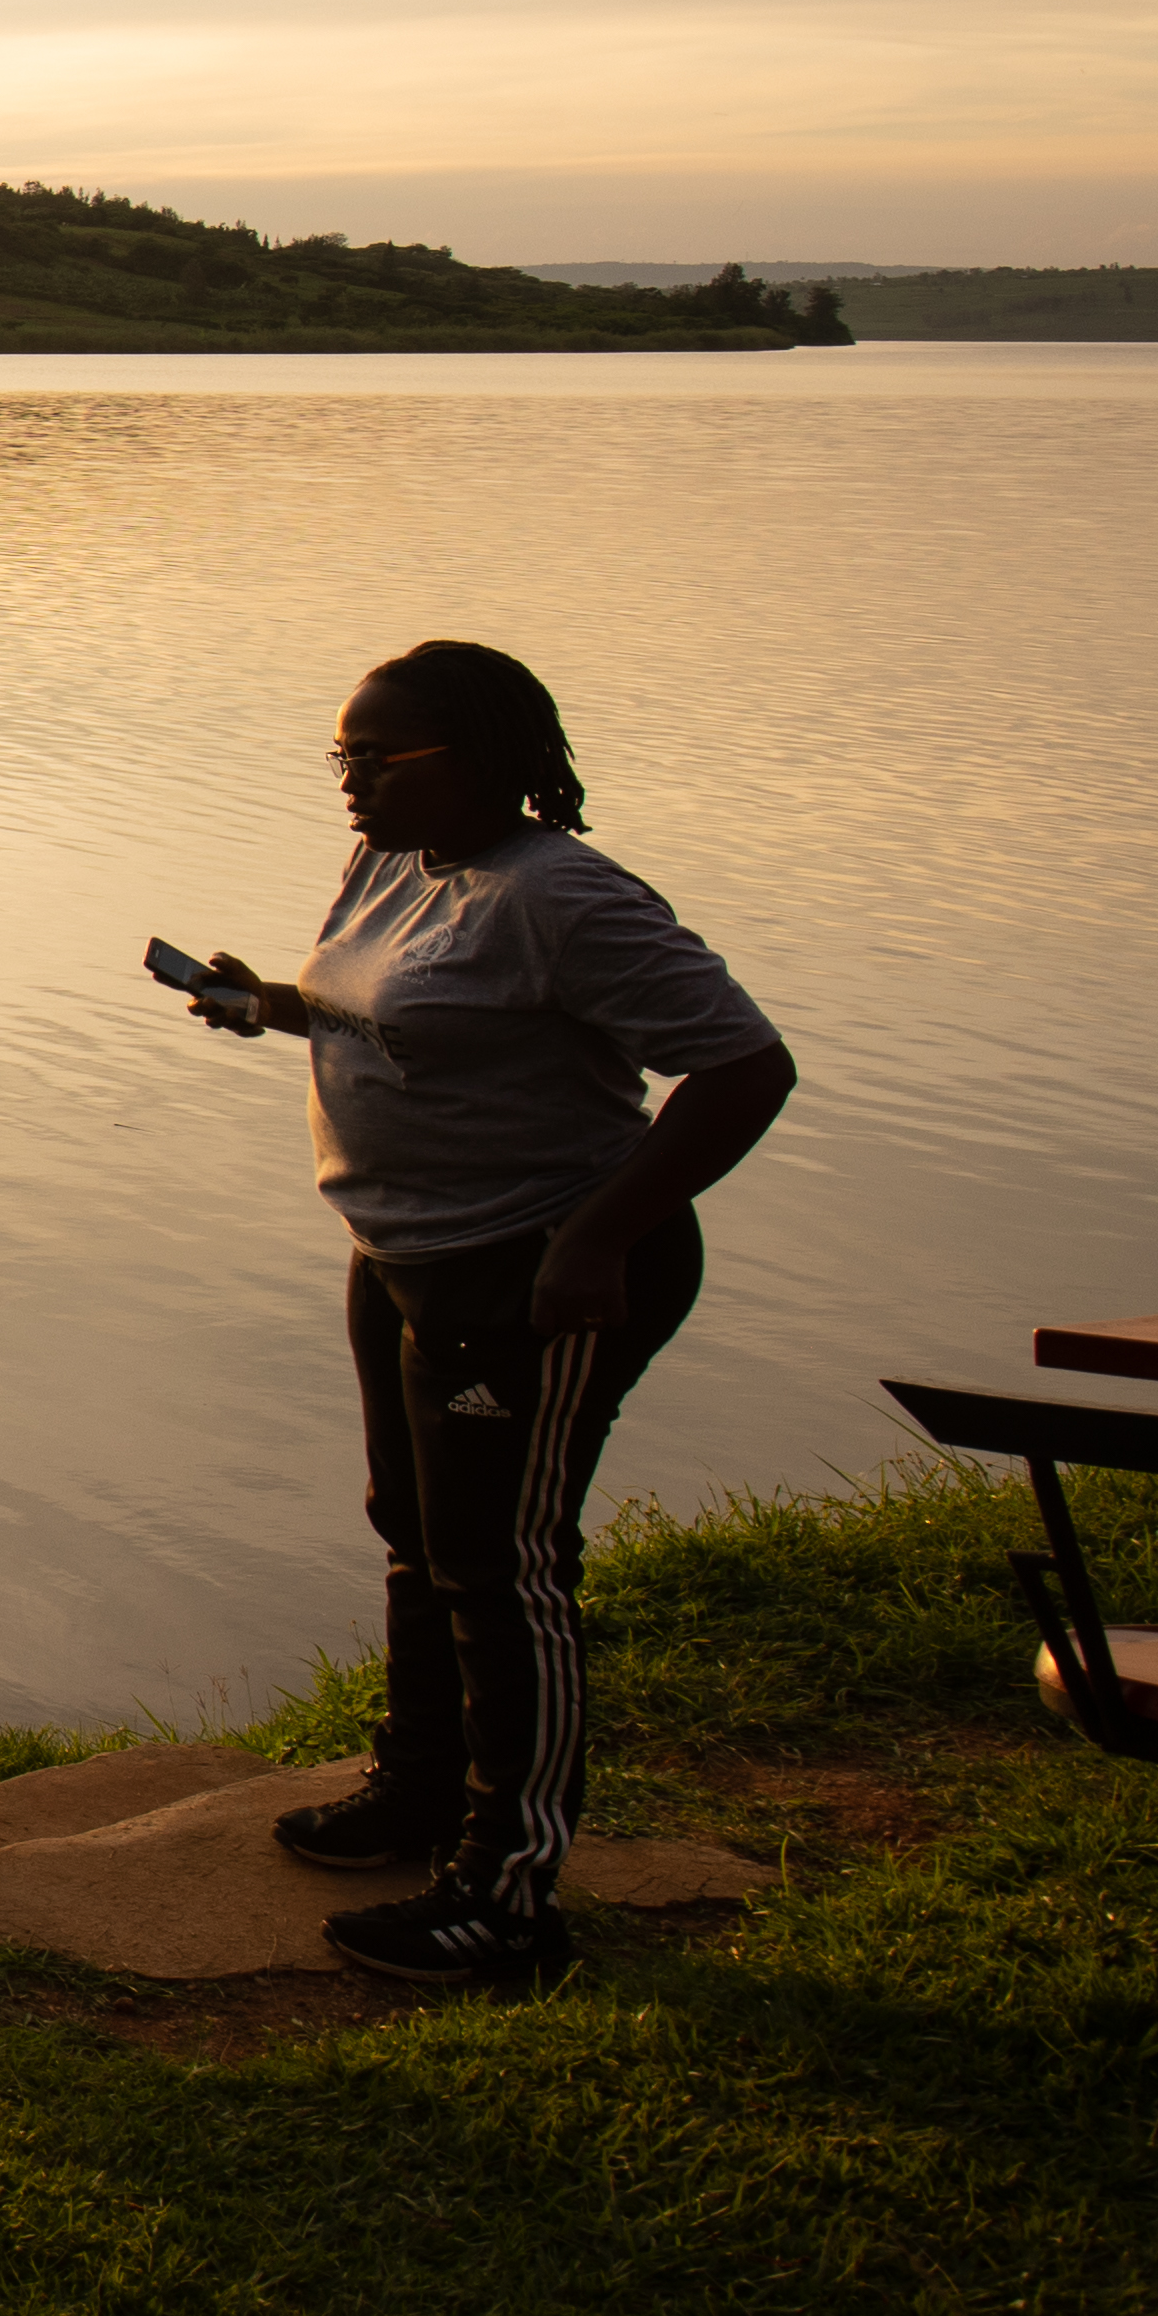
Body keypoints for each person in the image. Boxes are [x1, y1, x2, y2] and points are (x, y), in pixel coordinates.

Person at [186, 639, 797, 1985]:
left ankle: (509, 1897)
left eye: (378, 759)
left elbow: (746, 1066)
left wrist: (596, 1239)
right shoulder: (396, 866)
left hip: (540, 1266)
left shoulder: (564, 897)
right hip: (403, 1252)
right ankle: (418, 1791)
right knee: (415, 1532)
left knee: (505, 1568)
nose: (351, 784)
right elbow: (390, 1017)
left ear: (478, 758)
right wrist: (270, 1005)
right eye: (341, 756)